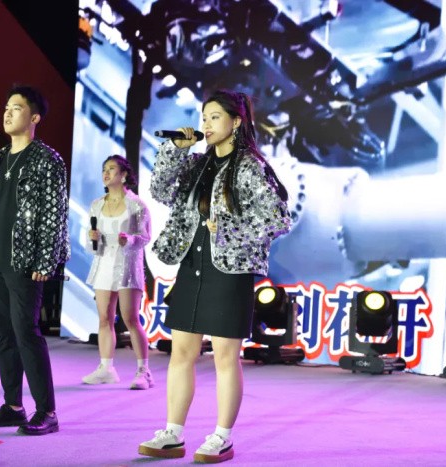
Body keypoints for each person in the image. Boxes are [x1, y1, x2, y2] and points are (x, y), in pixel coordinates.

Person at [138, 89, 291, 463]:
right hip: (192, 264)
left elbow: (278, 219)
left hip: (230, 270)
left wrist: (229, 229)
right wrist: (176, 150)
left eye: (214, 117)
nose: (205, 124)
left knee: (225, 356)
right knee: (181, 352)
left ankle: (222, 437)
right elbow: (160, 190)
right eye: (203, 117)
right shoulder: (198, 164)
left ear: (236, 122)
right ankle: (172, 433)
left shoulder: (250, 166)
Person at [0, 85, 70, 436]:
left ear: (34, 117)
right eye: (6, 107)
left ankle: (47, 411)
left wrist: (46, 259)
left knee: (26, 333)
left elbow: (54, 213)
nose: (7, 112)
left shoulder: (47, 159)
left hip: (25, 261)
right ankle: (13, 406)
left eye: (17, 107)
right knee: (4, 335)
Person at [83, 155, 154, 390]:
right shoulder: (96, 204)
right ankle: (106, 368)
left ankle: (144, 371)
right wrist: (92, 238)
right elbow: (90, 241)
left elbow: (145, 237)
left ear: (123, 175)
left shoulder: (136, 205)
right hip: (104, 263)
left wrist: (129, 239)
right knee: (104, 317)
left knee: (130, 318)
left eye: (111, 169)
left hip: (127, 265)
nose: (106, 173)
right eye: (104, 169)